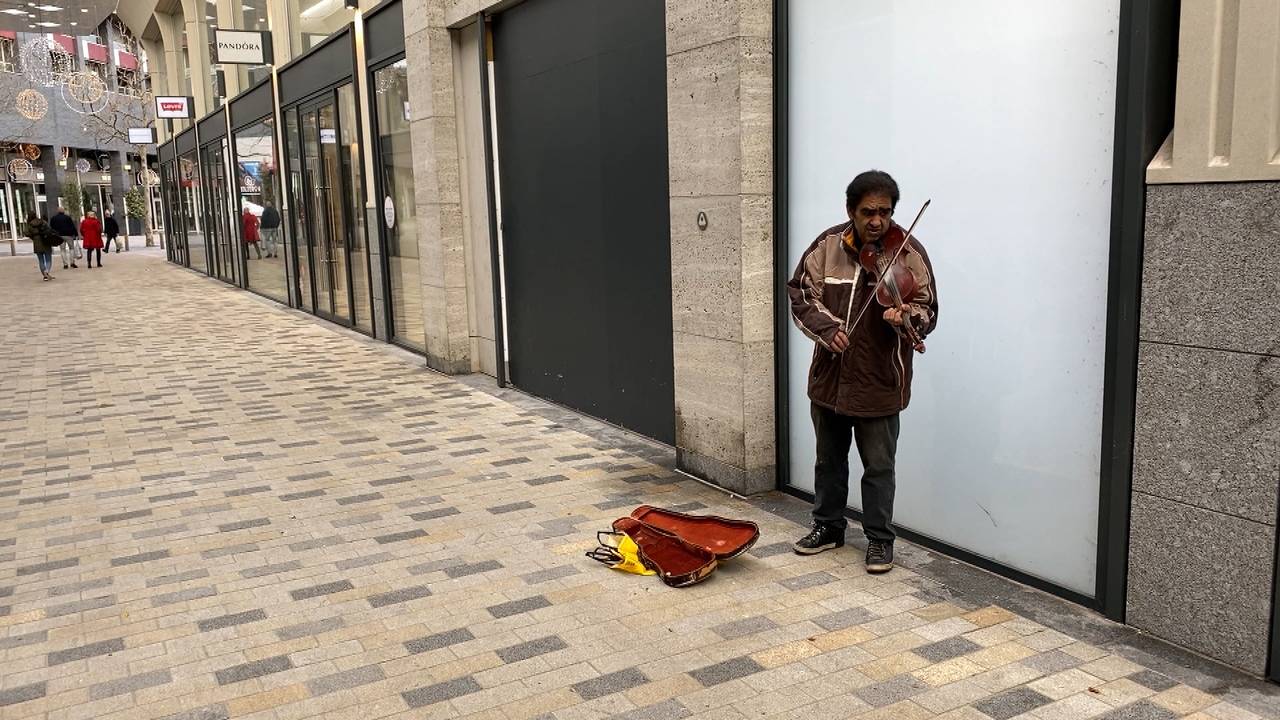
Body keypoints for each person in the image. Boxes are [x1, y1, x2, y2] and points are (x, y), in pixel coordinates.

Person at [786, 170, 938, 574]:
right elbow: (801, 293)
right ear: (851, 210)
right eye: (868, 212)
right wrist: (827, 329)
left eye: (885, 212)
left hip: (880, 380)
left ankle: (879, 539)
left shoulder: (908, 251)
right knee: (828, 461)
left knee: (879, 467)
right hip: (831, 379)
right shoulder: (827, 246)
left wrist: (907, 318)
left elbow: (928, 310)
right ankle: (828, 526)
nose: (877, 221)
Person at [26, 212, 56, 281]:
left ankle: (45, 275)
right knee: (48, 258)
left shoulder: (30, 225)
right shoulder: (42, 222)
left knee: (41, 260)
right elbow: (49, 229)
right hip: (45, 241)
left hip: (37, 243)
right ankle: (46, 271)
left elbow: (26, 233)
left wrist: (33, 236)